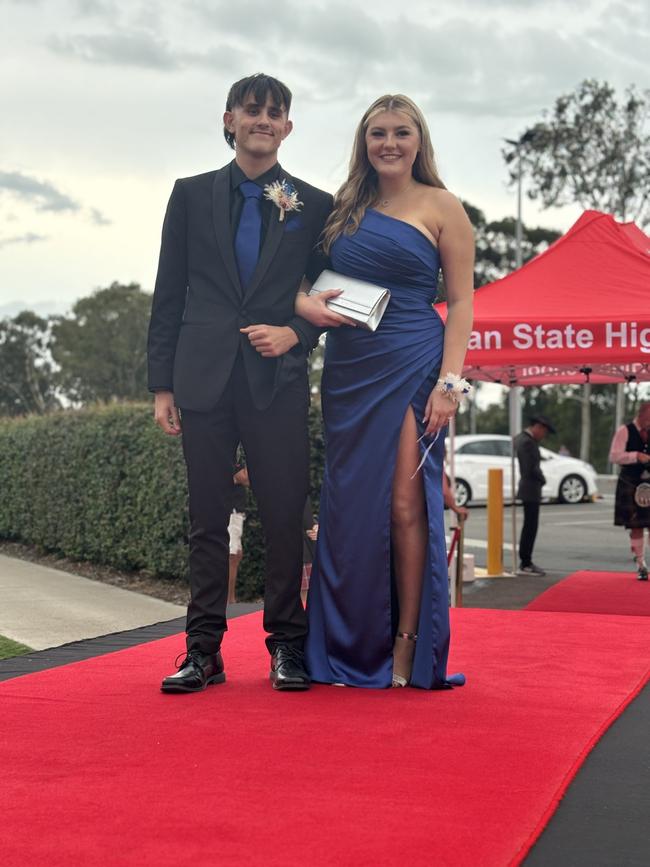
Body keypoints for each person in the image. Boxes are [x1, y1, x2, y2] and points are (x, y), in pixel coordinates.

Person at [148, 73, 333, 693]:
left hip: (276, 380)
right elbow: (169, 292)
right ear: (229, 120)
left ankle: (286, 645)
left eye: (274, 112)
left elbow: (328, 298)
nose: (263, 120)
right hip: (200, 379)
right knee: (206, 516)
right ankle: (202, 651)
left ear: (288, 126)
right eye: (251, 110)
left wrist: (296, 336)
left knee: (284, 515)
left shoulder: (314, 204)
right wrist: (161, 385)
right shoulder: (191, 195)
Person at [296, 94, 475, 689]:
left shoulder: (442, 205)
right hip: (348, 367)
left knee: (403, 506)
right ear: (364, 142)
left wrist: (450, 382)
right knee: (349, 509)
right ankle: (349, 645)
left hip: (411, 361)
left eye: (401, 132)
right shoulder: (344, 207)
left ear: (419, 140)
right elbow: (301, 281)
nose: (389, 143)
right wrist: (301, 306)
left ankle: (407, 644)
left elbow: (463, 301)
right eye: (378, 133)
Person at [609, 401, 650, 581]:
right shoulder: (624, 431)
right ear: (642, 413)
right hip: (630, 482)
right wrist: (636, 456)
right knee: (636, 526)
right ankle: (641, 565)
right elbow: (614, 456)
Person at [514, 414, 555, 576]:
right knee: (530, 526)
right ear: (537, 427)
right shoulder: (527, 443)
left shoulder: (522, 439)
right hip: (530, 488)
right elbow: (530, 467)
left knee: (530, 525)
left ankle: (526, 560)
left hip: (529, 487)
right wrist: (542, 479)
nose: (543, 436)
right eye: (543, 432)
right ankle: (526, 562)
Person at [227, 464, 249, 604]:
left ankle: (230, 598)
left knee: (236, 555)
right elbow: (245, 478)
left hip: (236, 513)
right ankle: (229, 600)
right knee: (232, 556)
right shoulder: (233, 458)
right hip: (231, 513)